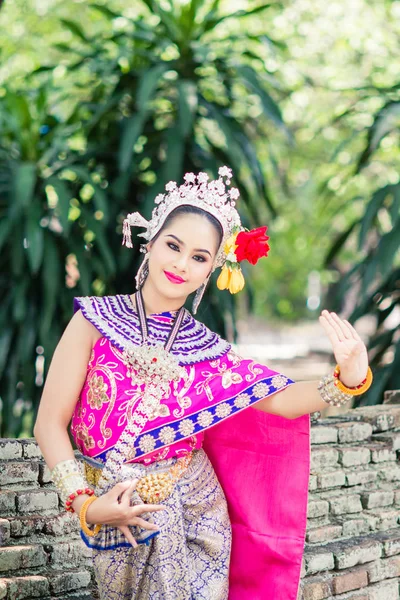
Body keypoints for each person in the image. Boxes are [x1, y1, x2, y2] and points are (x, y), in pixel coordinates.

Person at [33, 167, 373, 600]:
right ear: (150, 241)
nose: (180, 264)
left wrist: (350, 376)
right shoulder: (94, 321)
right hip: (110, 506)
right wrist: (85, 505)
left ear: (212, 267)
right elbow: (49, 423)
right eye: (173, 246)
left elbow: (283, 400)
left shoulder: (208, 351)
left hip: (196, 512)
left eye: (198, 256)